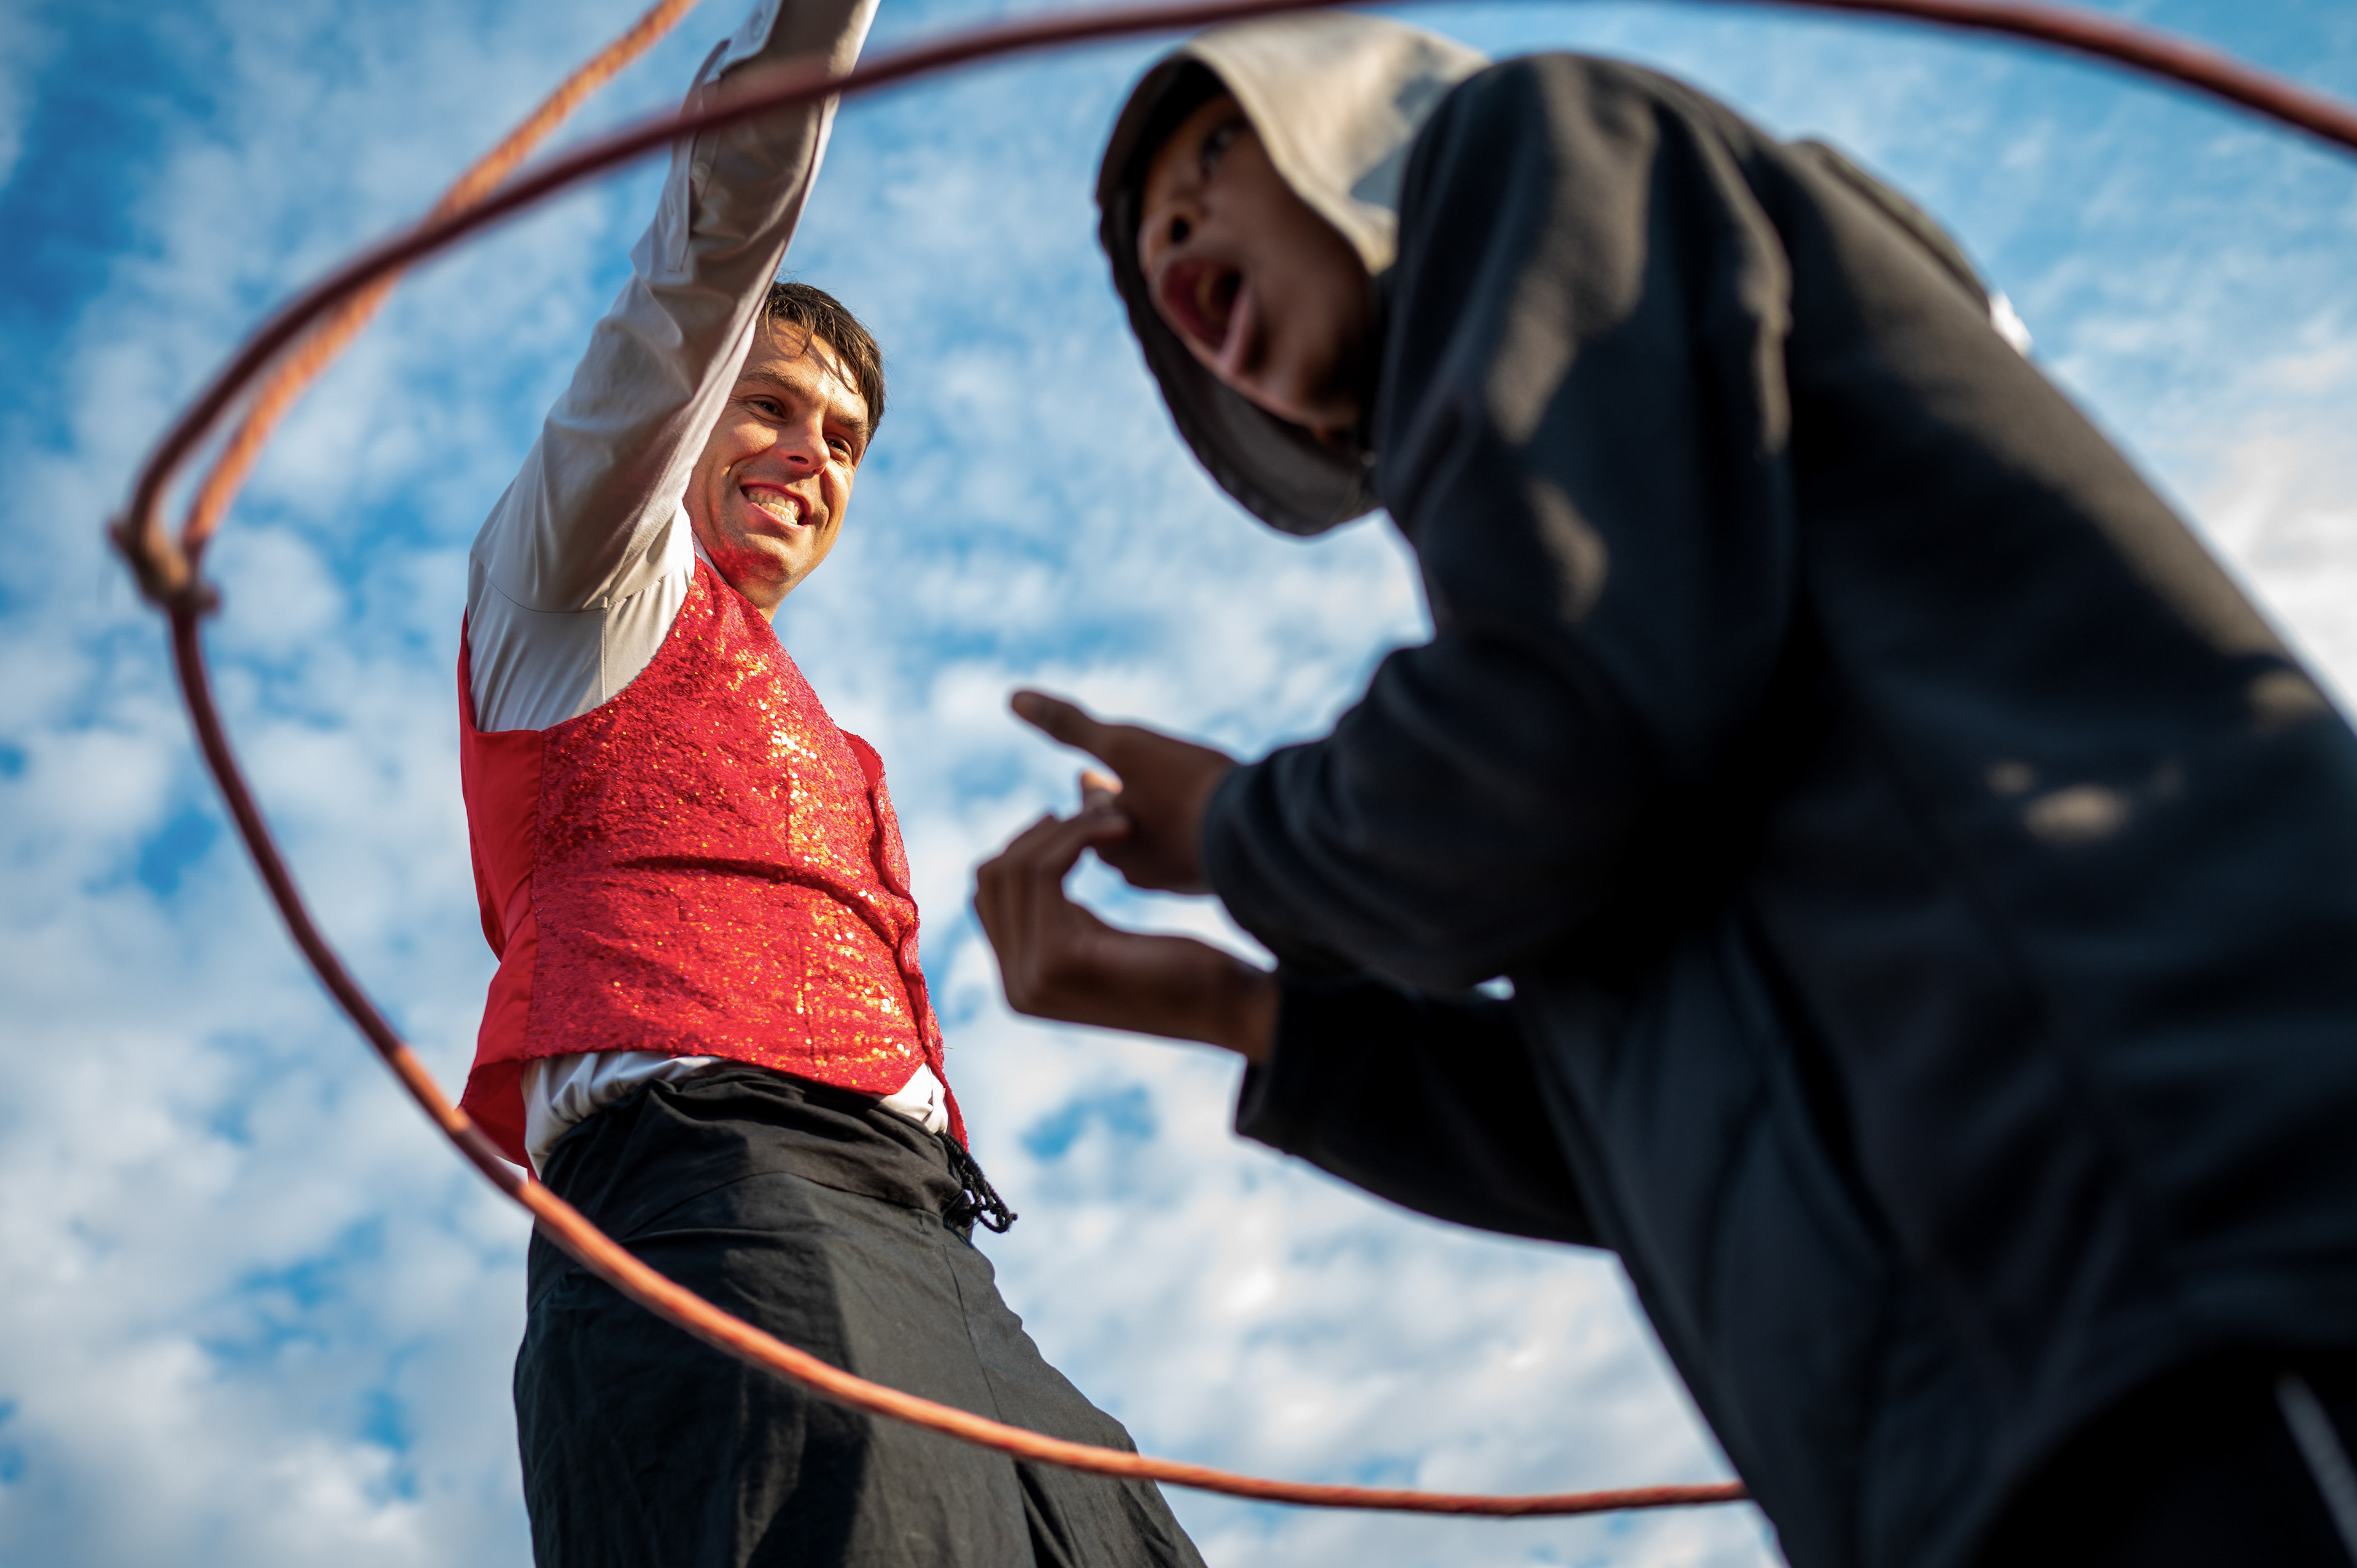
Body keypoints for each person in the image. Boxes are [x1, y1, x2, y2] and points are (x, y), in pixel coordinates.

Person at [973, 14, 2357, 1568]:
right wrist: (1243, 1016)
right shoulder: (1635, 607)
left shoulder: (1532, 148)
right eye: (1157, 222)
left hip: (2191, 1264)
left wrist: (1233, 830)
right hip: (2001, 1413)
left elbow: (1560, 727)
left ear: (1349, 134)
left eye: (1218, 151)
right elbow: (1667, 1131)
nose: (1175, 221)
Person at [456, 4, 1206, 1564]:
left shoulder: (834, 739)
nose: (814, 452)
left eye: (848, 438)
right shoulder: (580, 589)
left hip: (934, 1236)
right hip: (720, 1186)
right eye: (774, 405)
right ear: (689, 420)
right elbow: (704, 264)